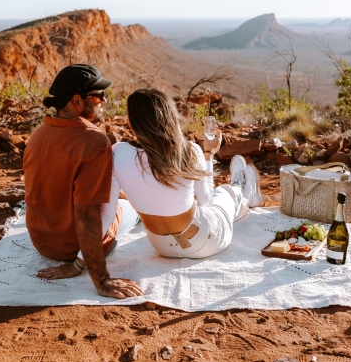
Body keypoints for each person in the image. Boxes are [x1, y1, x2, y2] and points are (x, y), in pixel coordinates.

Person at [23, 64, 143, 299]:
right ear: (77, 101)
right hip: (73, 247)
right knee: (131, 209)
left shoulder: (38, 134)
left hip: (42, 241)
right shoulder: (93, 141)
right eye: (98, 96)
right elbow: (87, 214)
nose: (104, 101)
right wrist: (101, 280)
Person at [111, 88, 263, 258]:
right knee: (223, 192)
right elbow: (205, 200)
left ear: (132, 122)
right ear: (170, 117)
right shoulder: (189, 150)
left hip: (162, 247)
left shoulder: (117, 152)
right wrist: (208, 154)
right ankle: (243, 192)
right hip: (204, 240)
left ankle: (241, 194)